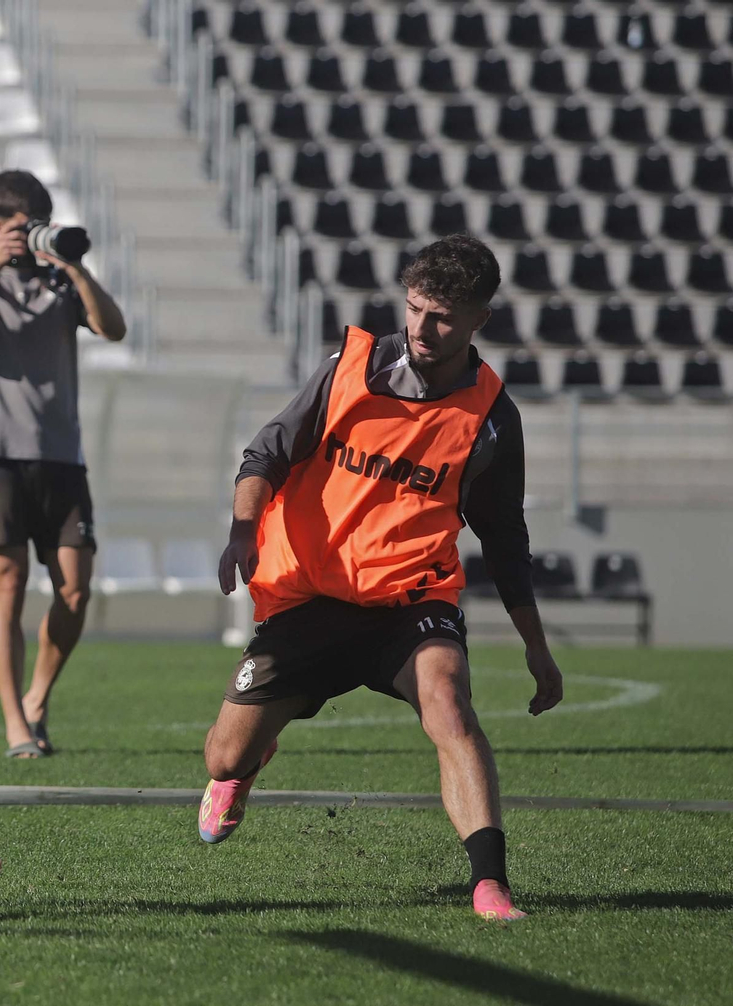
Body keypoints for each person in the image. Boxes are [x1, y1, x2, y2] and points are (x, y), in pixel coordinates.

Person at [200, 234, 563, 922]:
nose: (424, 328)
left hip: (410, 601)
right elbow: (266, 453)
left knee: (450, 704)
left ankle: (490, 885)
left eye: (445, 316)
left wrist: (536, 647)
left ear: (481, 319)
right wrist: (244, 528)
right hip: (311, 597)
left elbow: (505, 539)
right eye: (417, 308)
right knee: (221, 757)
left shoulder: (490, 419)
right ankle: (245, 767)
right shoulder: (349, 368)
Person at [0, 171, 127, 759]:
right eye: (22, 226)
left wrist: (73, 267)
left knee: (75, 592)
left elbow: (113, 330)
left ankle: (39, 697)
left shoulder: (61, 286)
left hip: (63, 458)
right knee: (7, 584)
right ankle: (15, 720)